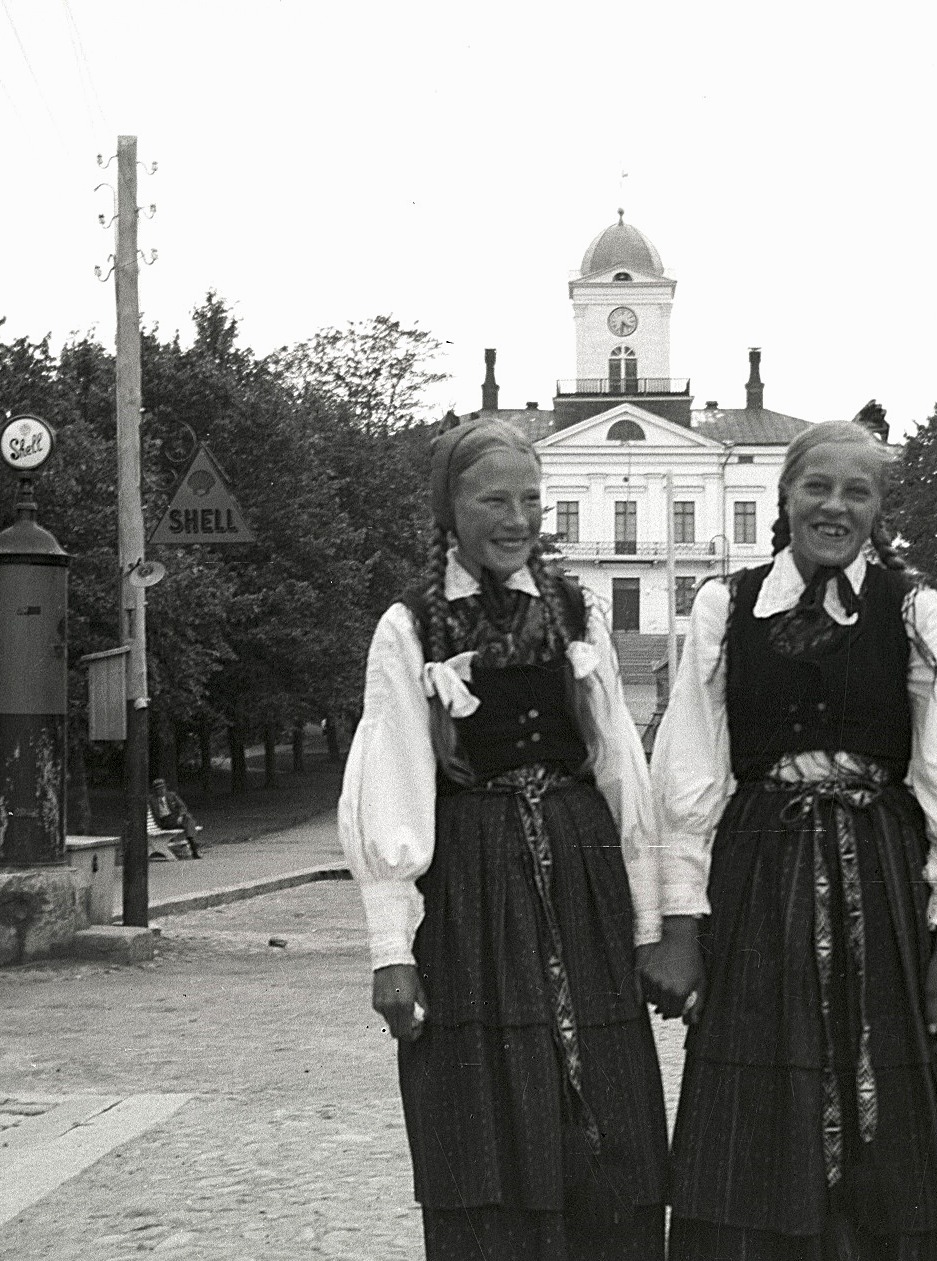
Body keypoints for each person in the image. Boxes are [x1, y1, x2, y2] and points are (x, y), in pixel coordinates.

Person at [645, 420, 937, 1260]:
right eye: (818, 487)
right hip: (763, 874)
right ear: (786, 494)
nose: (835, 506)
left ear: (877, 509)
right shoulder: (726, 605)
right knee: (758, 1116)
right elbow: (687, 779)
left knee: (891, 1120)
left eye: (858, 491)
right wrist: (683, 930)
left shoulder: (913, 608)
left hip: (883, 876)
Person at [339, 418, 669, 1260]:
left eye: (530, 497)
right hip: (474, 883)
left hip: (582, 868)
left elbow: (616, 760)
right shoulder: (410, 624)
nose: (517, 516)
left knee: (606, 1096)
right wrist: (391, 948)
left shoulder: (574, 608)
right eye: (494, 498)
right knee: (479, 1104)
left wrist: (652, 920)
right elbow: (392, 780)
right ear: (450, 509)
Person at [151, 776, 202, 858]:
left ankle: (193, 846)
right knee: (189, 820)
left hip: (175, 819)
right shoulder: (152, 800)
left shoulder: (171, 795)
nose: (161, 790)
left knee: (188, 818)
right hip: (164, 821)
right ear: (155, 790)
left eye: (163, 788)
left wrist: (181, 816)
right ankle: (193, 847)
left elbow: (182, 806)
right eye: (158, 789)